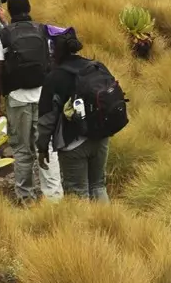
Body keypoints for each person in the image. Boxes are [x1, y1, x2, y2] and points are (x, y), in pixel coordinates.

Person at [34, 27, 126, 202]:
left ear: (54, 50)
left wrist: (42, 148)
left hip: (72, 144)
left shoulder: (55, 77)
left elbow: (46, 119)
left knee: (78, 193)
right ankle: (109, 227)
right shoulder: (97, 67)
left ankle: (82, 230)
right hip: (101, 137)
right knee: (98, 185)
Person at [0, 0, 57, 204]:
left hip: (17, 99)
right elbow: (52, 64)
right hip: (43, 98)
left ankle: (25, 198)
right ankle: (54, 198)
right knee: (46, 147)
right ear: (29, 7)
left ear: (9, 11)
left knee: (21, 150)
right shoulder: (43, 30)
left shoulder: (3, 35)